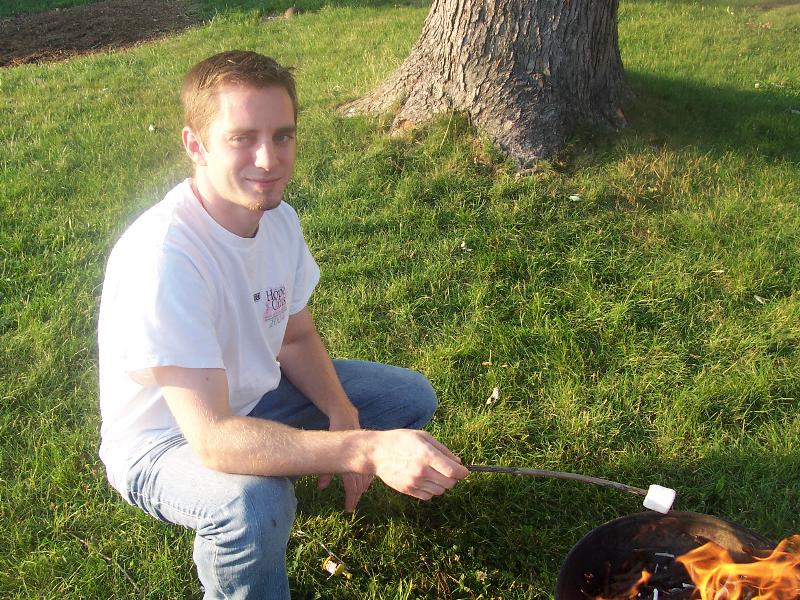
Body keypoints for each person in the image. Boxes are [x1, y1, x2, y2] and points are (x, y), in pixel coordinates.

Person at [97, 50, 469, 599]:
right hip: (166, 442)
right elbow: (213, 440)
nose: (268, 159)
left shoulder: (278, 221)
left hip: (250, 401)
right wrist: (363, 449)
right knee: (254, 502)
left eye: (283, 136)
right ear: (196, 146)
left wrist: (343, 415)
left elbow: (295, 337)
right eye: (242, 138)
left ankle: (286, 461)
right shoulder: (165, 258)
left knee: (406, 398)